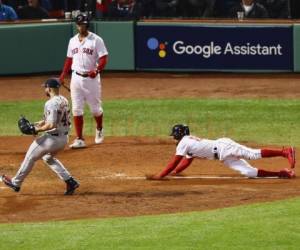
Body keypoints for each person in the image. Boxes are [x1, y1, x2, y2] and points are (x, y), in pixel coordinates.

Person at [1, 78, 80, 195]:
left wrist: (35, 129)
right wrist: (35, 124)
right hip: (63, 139)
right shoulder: (63, 100)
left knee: (30, 157)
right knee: (48, 158)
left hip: (51, 140)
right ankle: (70, 181)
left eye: (45, 87)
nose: (45, 89)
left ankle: (15, 183)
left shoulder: (51, 103)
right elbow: (48, 120)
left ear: (49, 88)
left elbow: (51, 124)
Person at [146, 124, 296, 180]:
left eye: (174, 136)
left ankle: (285, 151)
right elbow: (187, 160)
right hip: (223, 156)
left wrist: (160, 175)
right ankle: (280, 173)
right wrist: (175, 172)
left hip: (224, 147)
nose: (173, 139)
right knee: (249, 173)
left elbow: (174, 161)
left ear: (178, 135)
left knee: (252, 154)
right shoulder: (188, 143)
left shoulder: (184, 142)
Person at [59, 13, 108, 149]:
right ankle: (80, 138)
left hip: (91, 80)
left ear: (87, 24)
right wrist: (63, 75)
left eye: (84, 24)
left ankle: (99, 128)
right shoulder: (72, 41)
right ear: (76, 25)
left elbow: (104, 57)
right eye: (79, 24)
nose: (81, 27)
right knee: (76, 109)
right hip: (76, 78)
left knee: (95, 110)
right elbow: (69, 60)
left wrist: (97, 70)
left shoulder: (96, 40)